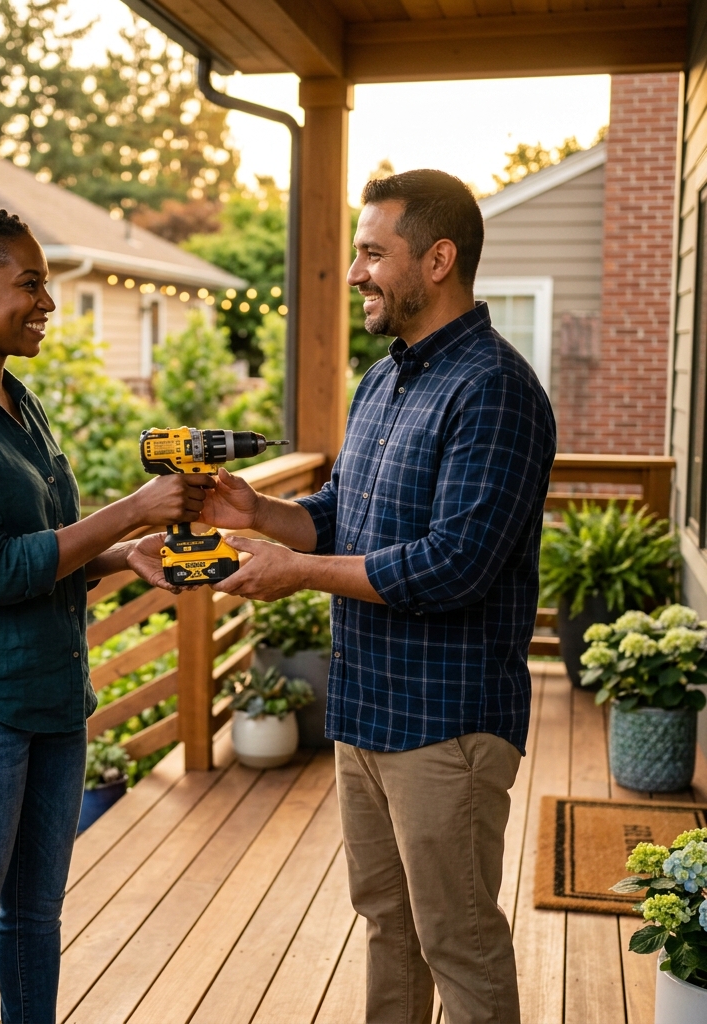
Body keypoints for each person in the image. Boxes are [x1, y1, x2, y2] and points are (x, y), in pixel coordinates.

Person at [194, 170, 556, 1024]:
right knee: (388, 927)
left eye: (371, 253)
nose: (355, 273)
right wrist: (266, 513)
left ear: (438, 259)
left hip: (446, 724)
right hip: (367, 711)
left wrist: (294, 573)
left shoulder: (495, 390)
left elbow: (452, 565)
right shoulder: (383, 380)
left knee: (457, 943)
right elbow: (341, 513)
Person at [0, 205, 207, 1024]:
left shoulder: (20, 403)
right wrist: (131, 512)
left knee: (35, 919)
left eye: (46, 286)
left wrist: (114, 555)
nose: (47, 303)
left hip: (52, 702)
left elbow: (42, 548)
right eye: (29, 285)